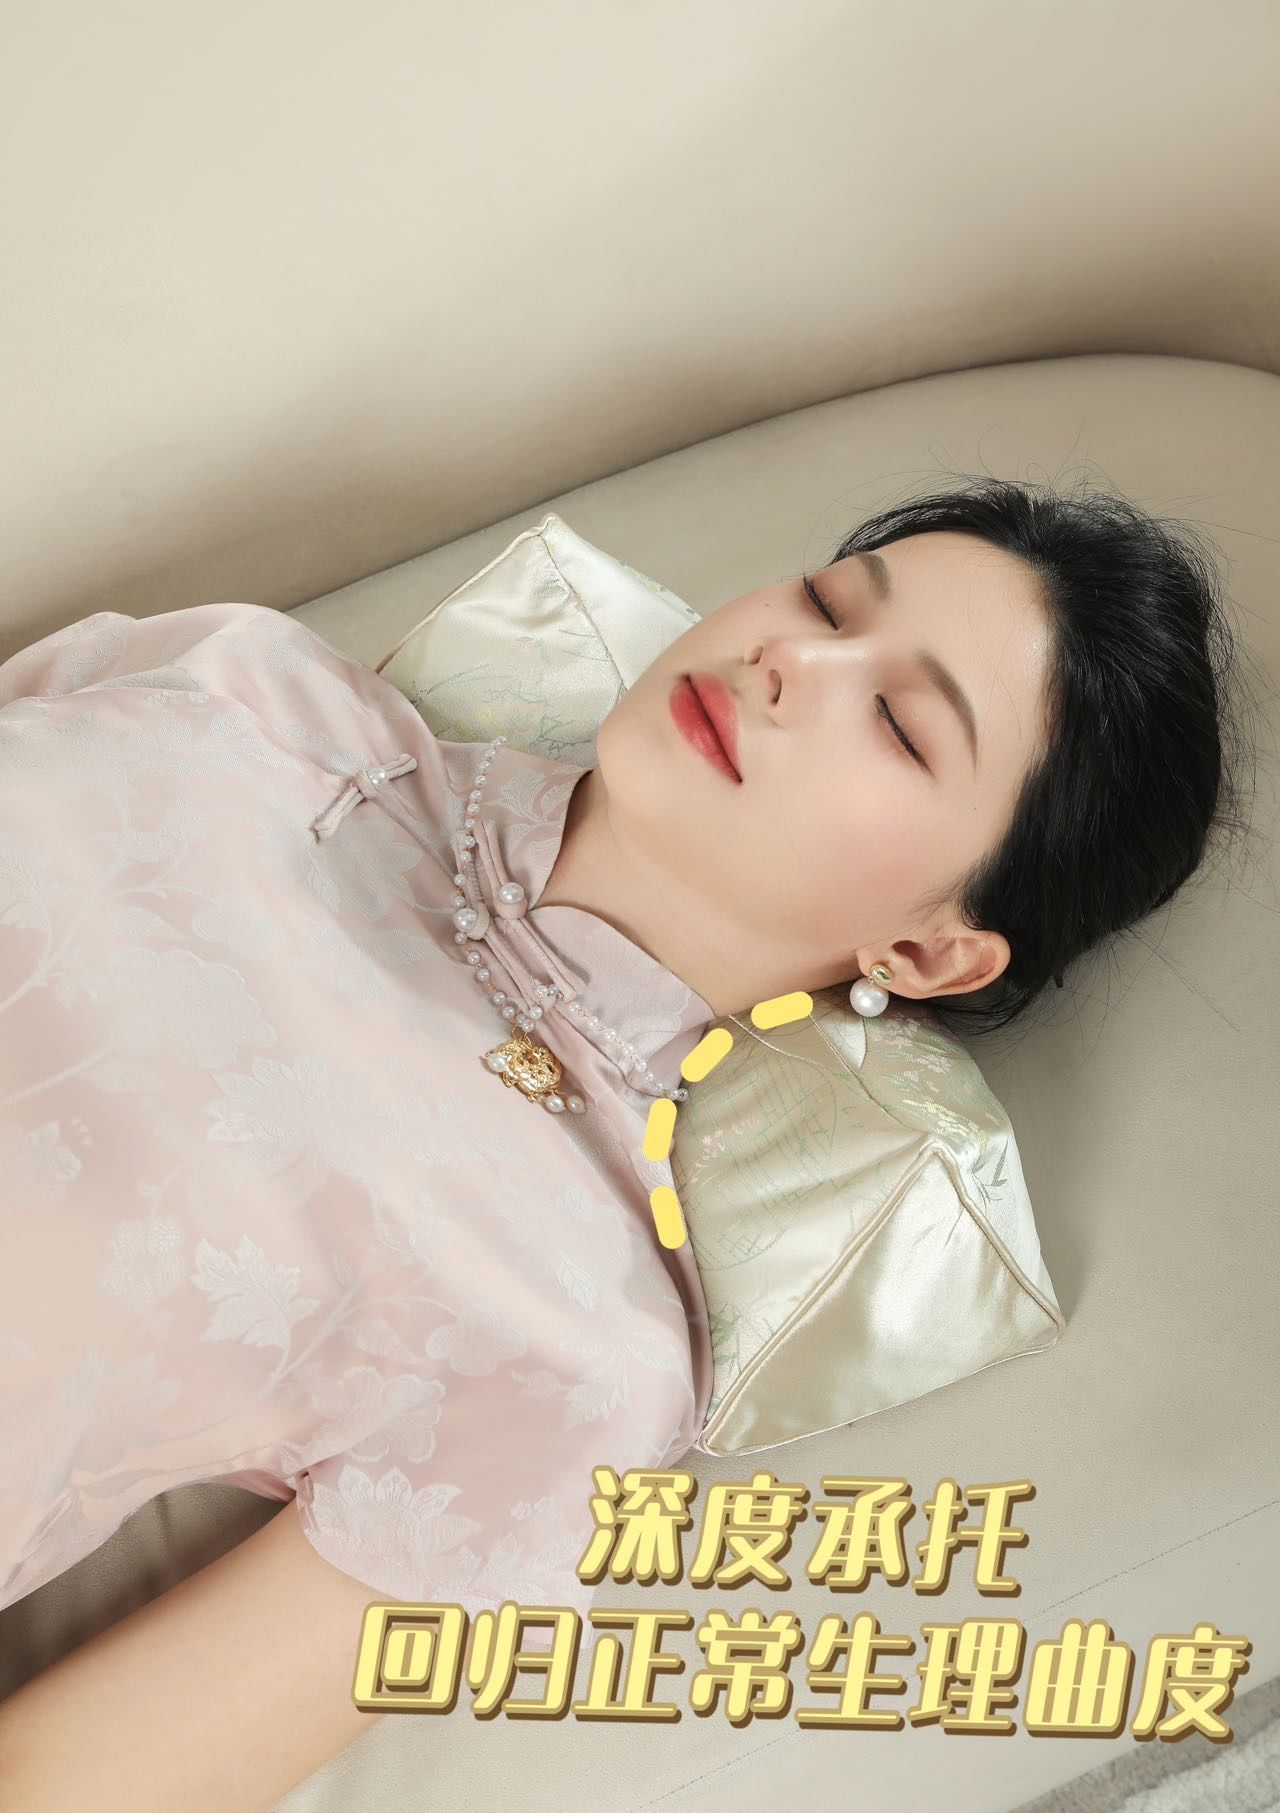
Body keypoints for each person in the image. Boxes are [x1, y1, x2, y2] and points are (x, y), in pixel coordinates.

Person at [0, 476, 1253, 1810]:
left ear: (928, 951)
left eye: (898, 721)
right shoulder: (251, 685)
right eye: (828, 603)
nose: (791, 660)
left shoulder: (581, 1344)